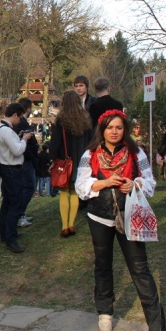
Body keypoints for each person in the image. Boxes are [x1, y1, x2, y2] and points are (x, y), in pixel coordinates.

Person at [75, 110, 166, 331]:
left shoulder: (136, 153)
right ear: (102, 130)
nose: (114, 132)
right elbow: (81, 185)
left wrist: (134, 183)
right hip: (99, 217)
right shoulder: (90, 153)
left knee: (139, 267)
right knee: (103, 265)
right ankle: (105, 311)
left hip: (130, 215)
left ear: (124, 129)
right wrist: (104, 182)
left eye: (118, 127)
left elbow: (150, 182)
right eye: (109, 127)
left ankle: (156, 324)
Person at [50, 90, 94, 237]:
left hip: (65, 160)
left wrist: (52, 158)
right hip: (81, 161)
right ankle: (72, 224)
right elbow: (91, 141)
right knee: (75, 192)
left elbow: (55, 142)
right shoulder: (85, 119)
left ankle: (64, 226)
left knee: (64, 192)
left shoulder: (61, 120)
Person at [0, 103, 33, 253]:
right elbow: (17, 151)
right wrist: (25, 139)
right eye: (20, 116)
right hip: (12, 169)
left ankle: (5, 233)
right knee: (15, 204)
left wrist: (19, 137)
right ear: (15, 115)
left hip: (5, 167)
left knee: (7, 203)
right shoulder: (7, 131)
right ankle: (11, 237)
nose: (20, 120)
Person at [14, 98, 40, 227]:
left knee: (28, 187)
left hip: (26, 159)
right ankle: (19, 214)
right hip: (27, 160)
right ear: (28, 109)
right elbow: (27, 145)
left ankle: (21, 213)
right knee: (29, 187)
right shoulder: (23, 124)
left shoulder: (21, 123)